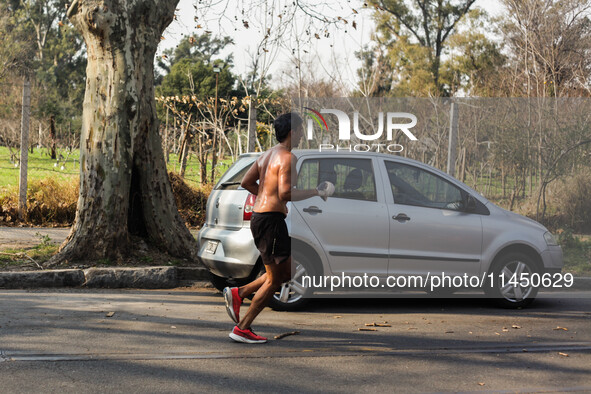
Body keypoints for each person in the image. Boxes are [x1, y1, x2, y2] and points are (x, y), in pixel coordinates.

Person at [223, 112, 335, 344]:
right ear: (292, 132)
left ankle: (240, 293)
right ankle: (243, 327)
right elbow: (285, 193)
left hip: (262, 218)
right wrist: (317, 191)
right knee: (275, 279)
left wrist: (265, 198)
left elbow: (246, 182)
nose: (303, 135)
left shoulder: (267, 155)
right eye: (302, 131)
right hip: (271, 222)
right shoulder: (287, 158)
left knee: (286, 272)